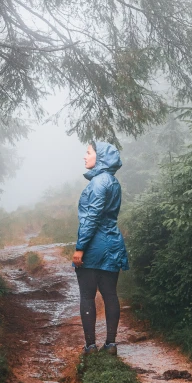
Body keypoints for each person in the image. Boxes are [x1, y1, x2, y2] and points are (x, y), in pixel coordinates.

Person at [72, 141, 129, 355]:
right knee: (110, 295)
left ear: (101, 157)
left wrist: (80, 248)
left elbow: (92, 217)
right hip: (113, 243)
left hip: (94, 245)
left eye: (88, 152)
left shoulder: (97, 183)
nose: (84, 157)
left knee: (87, 295)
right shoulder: (113, 182)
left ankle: (90, 346)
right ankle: (111, 345)